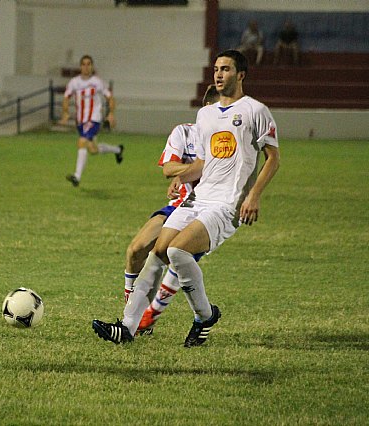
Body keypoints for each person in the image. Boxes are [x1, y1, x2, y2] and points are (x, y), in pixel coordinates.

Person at [93, 49, 280, 347]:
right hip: (197, 199)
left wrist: (253, 196)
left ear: (241, 74)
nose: (219, 74)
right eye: (216, 69)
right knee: (158, 254)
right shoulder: (204, 114)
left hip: (227, 203)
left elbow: (273, 158)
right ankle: (126, 327)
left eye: (226, 69)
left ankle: (204, 316)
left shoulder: (255, 111)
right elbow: (203, 164)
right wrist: (182, 177)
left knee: (178, 252)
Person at [123, 85, 220, 336]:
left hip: (206, 211)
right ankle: (132, 311)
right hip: (180, 204)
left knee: (172, 257)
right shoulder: (184, 133)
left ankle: (157, 318)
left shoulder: (226, 141)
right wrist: (193, 169)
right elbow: (168, 168)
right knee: (136, 249)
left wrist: (189, 169)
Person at [58, 55, 123, 187]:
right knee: (92, 149)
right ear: (80, 66)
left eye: (89, 64)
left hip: (94, 119)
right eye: (84, 64)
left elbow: (110, 97)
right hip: (81, 121)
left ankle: (77, 176)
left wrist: (111, 113)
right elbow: (66, 98)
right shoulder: (74, 82)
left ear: (92, 66)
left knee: (81, 142)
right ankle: (117, 150)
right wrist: (65, 113)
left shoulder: (97, 82)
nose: (86, 67)